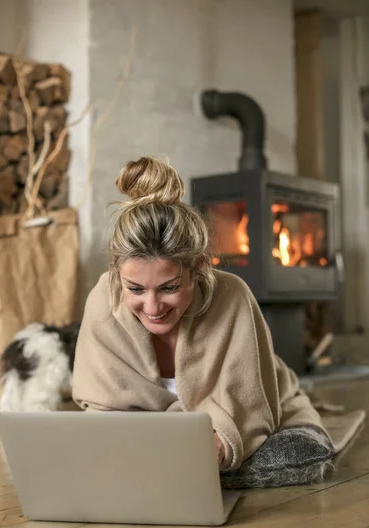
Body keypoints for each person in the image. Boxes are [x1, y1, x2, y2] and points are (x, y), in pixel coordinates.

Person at [72, 156, 333, 472]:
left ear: (197, 268)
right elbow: (100, 406)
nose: (153, 308)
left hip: (260, 399)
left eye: (169, 287)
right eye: (136, 289)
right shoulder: (104, 298)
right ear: (117, 274)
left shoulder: (233, 295)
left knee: (290, 455)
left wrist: (219, 443)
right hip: (153, 438)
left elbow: (250, 404)